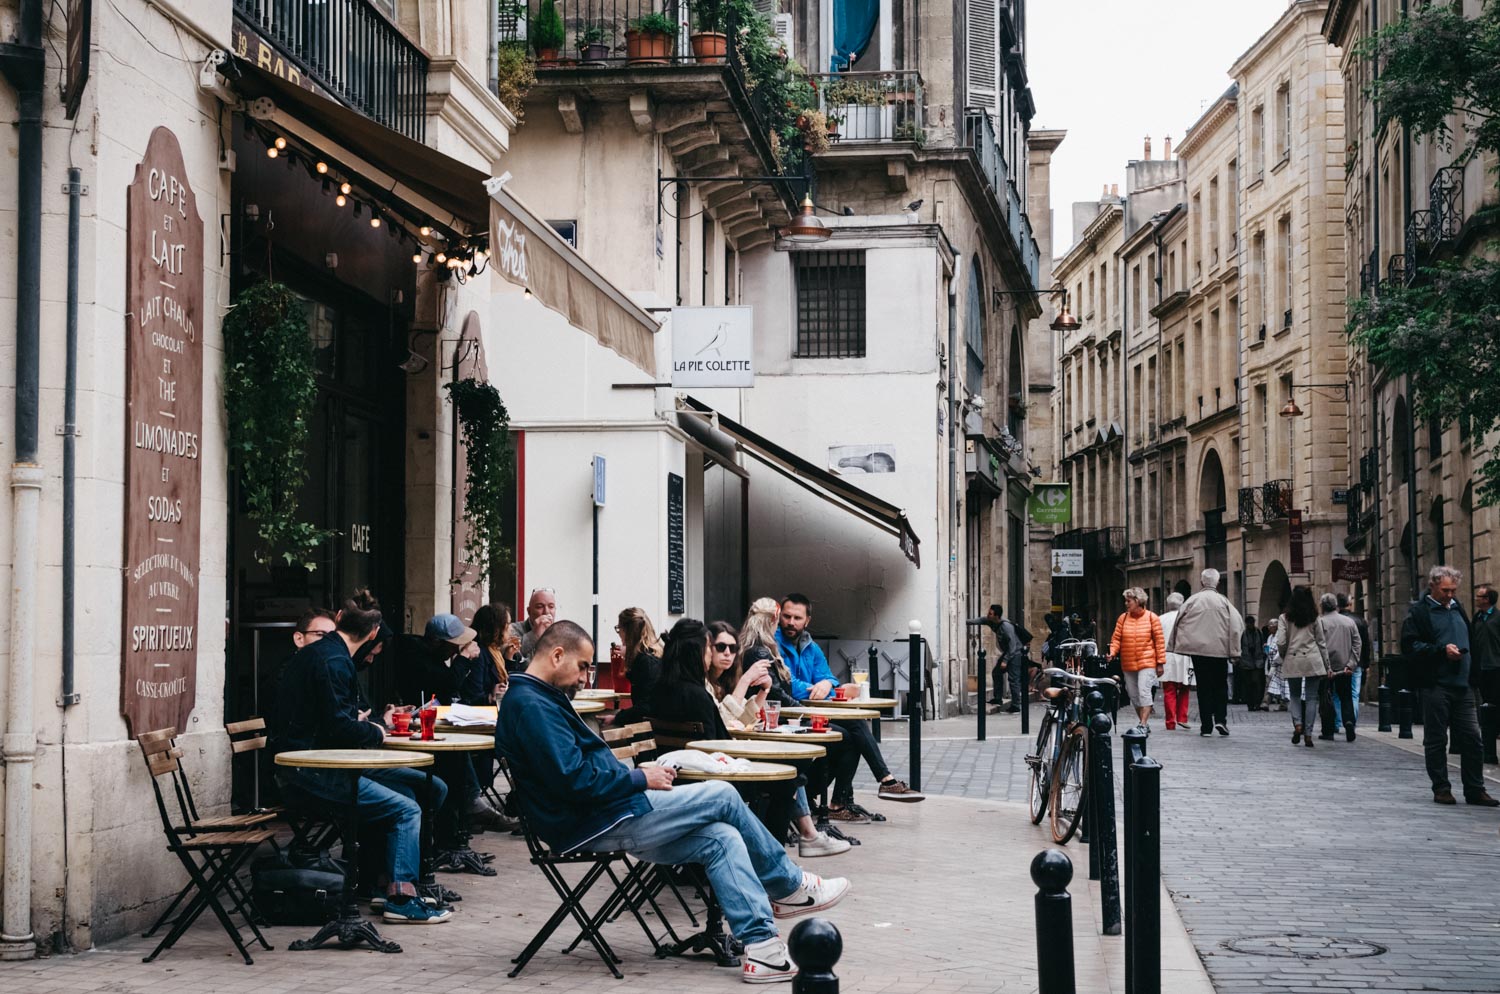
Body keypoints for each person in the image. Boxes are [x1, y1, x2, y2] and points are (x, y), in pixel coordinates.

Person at [496, 620, 850, 983]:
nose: (585, 677)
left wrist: (637, 776)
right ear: (557, 655)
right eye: (584, 666)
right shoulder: (531, 704)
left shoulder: (536, 698)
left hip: (601, 812)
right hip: (595, 819)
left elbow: (573, 775)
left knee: (721, 838)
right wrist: (638, 777)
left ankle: (763, 950)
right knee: (723, 794)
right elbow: (573, 780)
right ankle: (789, 886)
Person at [270, 591, 452, 924]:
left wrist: (363, 724)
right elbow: (339, 727)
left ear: (338, 618)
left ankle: (377, 881)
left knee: (428, 788)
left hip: (315, 763)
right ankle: (401, 897)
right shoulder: (335, 662)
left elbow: (331, 719)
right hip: (312, 771)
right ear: (372, 634)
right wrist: (378, 730)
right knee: (407, 807)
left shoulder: (323, 655)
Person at [688, 620, 849, 857]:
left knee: (793, 770)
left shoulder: (720, 682)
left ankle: (796, 842)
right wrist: (745, 681)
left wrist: (763, 690)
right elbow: (723, 723)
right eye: (720, 647)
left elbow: (737, 720)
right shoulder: (703, 687)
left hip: (723, 761)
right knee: (787, 776)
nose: (727, 654)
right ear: (707, 648)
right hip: (719, 769)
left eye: (733, 649)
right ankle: (780, 855)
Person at [775, 594, 925, 808]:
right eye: (787, 616)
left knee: (852, 732)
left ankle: (840, 802)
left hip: (813, 712)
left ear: (807, 620)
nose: (791, 622)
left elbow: (829, 679)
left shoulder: (811, 646)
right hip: (790, 717)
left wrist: (826, 685)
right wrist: (823, 689)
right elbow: (789, 685)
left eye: (797, 618)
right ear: (780, 616)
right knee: (851, 730)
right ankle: (882, 782)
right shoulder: (774, 644)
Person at [1401, 566, 1498, 806]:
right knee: (1436, 739)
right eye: (1445, 590)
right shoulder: (1420, 613)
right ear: (1432, 586)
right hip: (1436, 685)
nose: (1450, 594)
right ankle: (1441, 788)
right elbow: (1410, 646)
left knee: (1473, 738)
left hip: (1463, 685)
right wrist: (1441, 651)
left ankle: (1475, 789)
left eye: (1453, 590)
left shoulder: (1458, 609)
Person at [1167, 568, 1244, 737]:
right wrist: (1235, 651)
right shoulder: (1224, 602)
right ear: (1217, 582)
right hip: (1219, 650)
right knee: (1220, 685)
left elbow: (1179, 621)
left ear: (1202, 582)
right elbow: (1237, 625)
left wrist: (1175, 645)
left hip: (1199, 651)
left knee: (1203, 687)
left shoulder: (1193, 600)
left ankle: (1206, 726)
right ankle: (1221, 720)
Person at [1276, 586, 1330, 749]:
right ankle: (1308, 733)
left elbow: (1281, 642)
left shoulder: (1284, 617)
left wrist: (1284, 655)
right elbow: (1321, 643)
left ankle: (1298, 724)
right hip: (1312, 659)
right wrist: (1327, 665)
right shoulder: (1314, 617)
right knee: (1312, 697)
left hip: (1293, 658)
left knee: (1295, 695)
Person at [1108, 588, 1165, 731]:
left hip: (1147, 661)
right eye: (1126, 601)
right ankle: (1143, 722)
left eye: (1129, 601)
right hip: (1128, 663)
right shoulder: (1123, 618)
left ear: (1138, 601)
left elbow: (1159, 642)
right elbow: (1116, 639)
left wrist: (1160, 663)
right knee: (1133, 695)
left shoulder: (1152, 617)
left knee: (1144, 691)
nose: (1126, 604)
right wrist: (1112, 652)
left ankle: (1143, 724)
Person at [1316, 593, 1363, 742]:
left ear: (1322, 606)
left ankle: (1328, 730)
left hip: (1326, 668)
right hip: (1345, 667)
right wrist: (1351, 664)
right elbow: (1357, 644)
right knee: (1346, 697)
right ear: (1336, 606)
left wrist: (1326, 666)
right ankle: (1349, 721)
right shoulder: (1349, 622)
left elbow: (1319, 646)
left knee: (1326, 699)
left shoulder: (1320, 623)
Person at [612, 607, 664, 725]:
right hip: (658, 724)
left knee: (595, 723)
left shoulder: (644, 662)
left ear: (627, 631)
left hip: (649, 729)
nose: (619, 633)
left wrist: (617, 718)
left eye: (619, 628)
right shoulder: (656, 654)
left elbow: (645, 707)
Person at [459, 603, 515, 705]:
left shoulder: (494, 650)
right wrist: (491, 697)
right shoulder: (478, 653)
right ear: (496, 628)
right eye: (508, 624)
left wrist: (509, 658)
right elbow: (472, 696)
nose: (511, 628)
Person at [1470, 584, 1500, 763]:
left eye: (1479, 596)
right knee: (1486, 708)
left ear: (1487, 600)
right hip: (1482, 669)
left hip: (1497, 668)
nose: (1476, 599)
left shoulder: (1497, 618)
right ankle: (1488, 750)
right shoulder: (1477, 618)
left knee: (1494, 707)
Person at [1336, 593, 1373, 728]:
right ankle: (1352, 721)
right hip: (1356, 662)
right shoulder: (1359, 620)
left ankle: (1339, 721)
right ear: (1349, 604)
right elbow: (1365, 644)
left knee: (1337, 693)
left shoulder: (1335, 620)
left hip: (1339, 662)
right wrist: (1366, 663)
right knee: (1354, 693)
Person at [1158, 593, 1193, 731]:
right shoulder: (1187, 618)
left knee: (1169, 690)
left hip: (1166, 656)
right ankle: (1182, 717)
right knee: (1184, 687)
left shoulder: (1160, 619)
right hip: (1185, 656)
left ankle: (1170, 721)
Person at [507, 587, 556, 660]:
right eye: (540, 607)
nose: (546, 612)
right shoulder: (513, 629)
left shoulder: (560, 634)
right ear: (529, 611)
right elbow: (514, 658)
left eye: (551, 607)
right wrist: (534, 634)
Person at [1239, 614, 1267, 711]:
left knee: (1257, 684)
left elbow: (1263, 645)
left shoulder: (1259, 633)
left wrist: (1263, 657)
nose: (1250, 625)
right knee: (1248, 685)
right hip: (1246, 663)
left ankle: (1257, 703)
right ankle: (1250, 704)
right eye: (1249, 624)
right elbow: (1241, 647)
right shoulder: (1243, 634)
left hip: (1257, 662)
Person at [1263, 620, 1287, 709]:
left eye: (1271, 625)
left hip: (1278, 663)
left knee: (1278, 684)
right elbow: (1269, 651)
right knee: (1270, 683)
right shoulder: (1270, 637)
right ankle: (1267, 702)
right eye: (1268, 625)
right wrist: (1266, 649)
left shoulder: (1280, 636)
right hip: (1270, 662)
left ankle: (1268, 702)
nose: (1269, 627)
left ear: (1276, 627)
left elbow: (1281, 648)